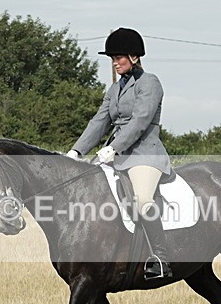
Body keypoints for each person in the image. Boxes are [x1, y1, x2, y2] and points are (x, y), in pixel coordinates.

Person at [66, 28, 173, 279]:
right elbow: (99, 121)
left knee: (143, 199)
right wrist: (76, 151)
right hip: (116, 155)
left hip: (145, 155)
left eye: (119, 58)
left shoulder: (150, 83)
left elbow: (140, 121)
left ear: (134, 57)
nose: (115, 63)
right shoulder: (114, 90)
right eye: (112, 59)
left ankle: (161, 258)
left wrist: (114, 147)